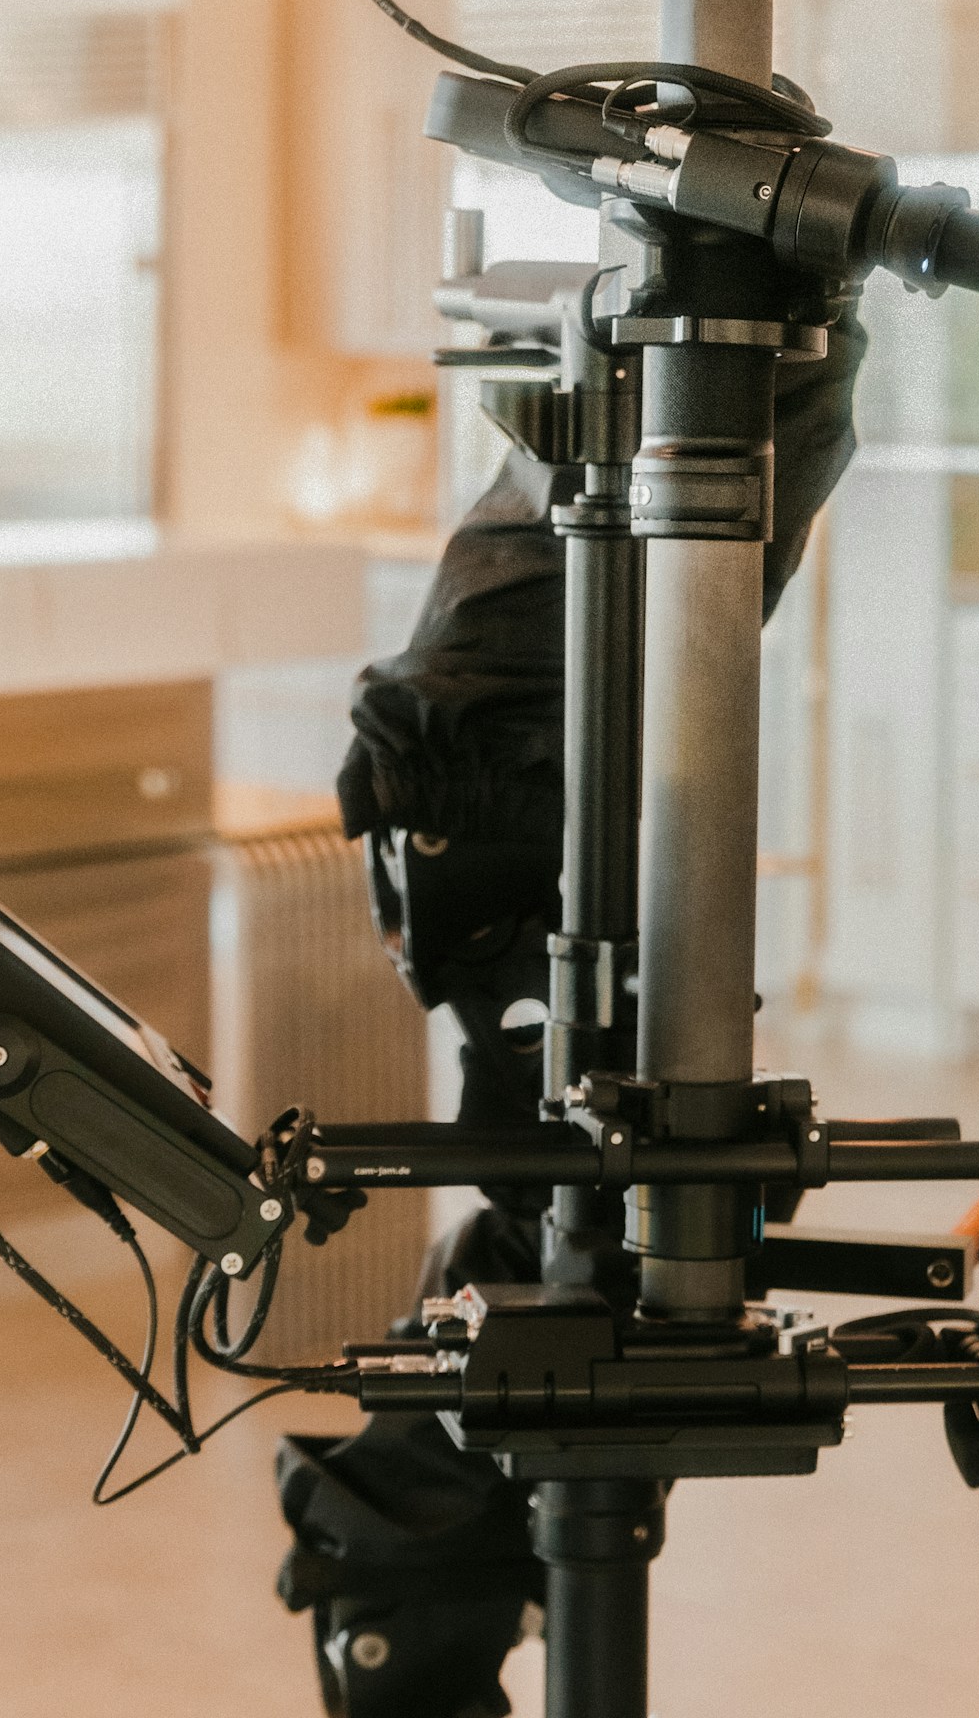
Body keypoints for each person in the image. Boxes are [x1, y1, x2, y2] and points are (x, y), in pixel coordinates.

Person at [274, 307, 867, 1715]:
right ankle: (397, 1595)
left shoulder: (717, 338)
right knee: (590, 1243)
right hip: (493, 792)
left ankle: (404, 1584)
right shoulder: (717, 335)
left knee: (584, 1241)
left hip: (487, 784)